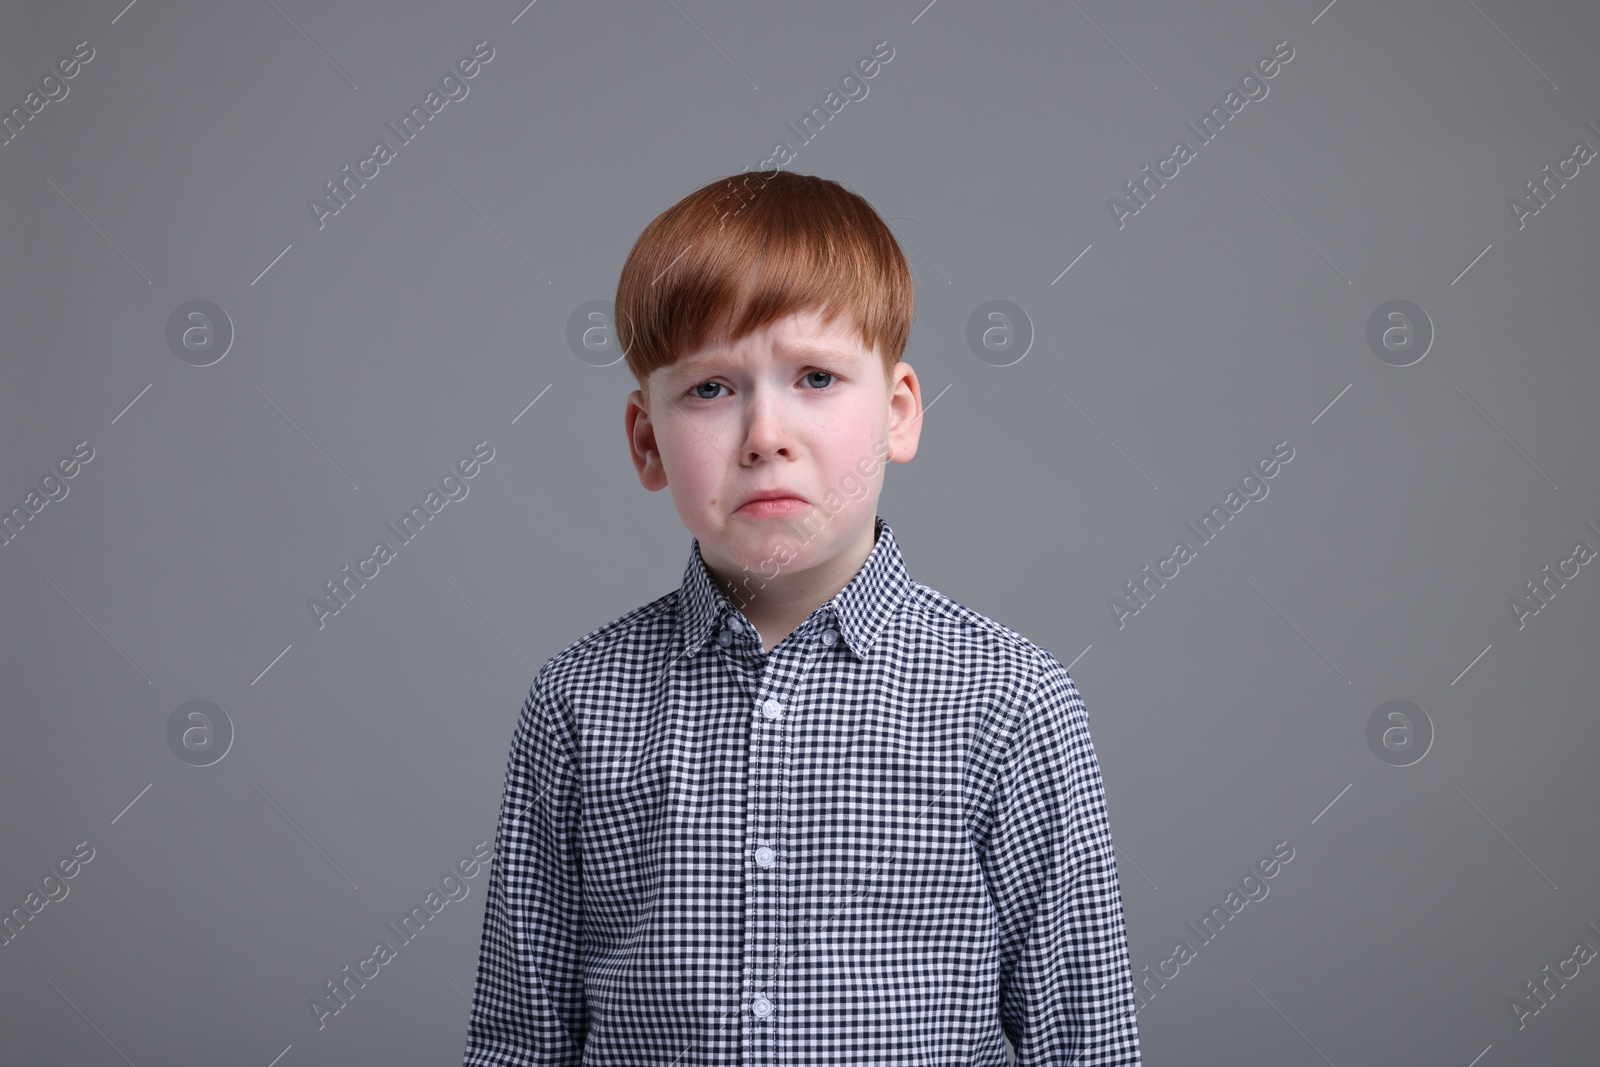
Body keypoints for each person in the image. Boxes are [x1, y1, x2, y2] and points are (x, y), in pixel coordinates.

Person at [462, 170, 1142, 1064]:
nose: (763, 432)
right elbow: (521, 1038)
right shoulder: (578, 701)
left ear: (899, 412)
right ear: (645, 440)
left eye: (815, 376)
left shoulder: (1010, 699)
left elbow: (1083, 1041)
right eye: (710, 389)